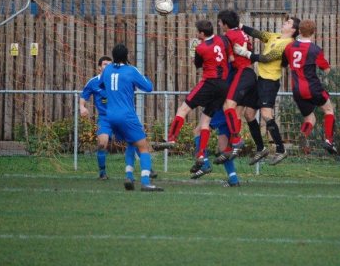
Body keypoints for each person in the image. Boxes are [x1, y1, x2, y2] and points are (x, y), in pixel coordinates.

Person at [233, 16, 301, 165]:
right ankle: (261, 148)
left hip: (269, 82)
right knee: (249, 114)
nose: (285, 22)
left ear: (294, 30)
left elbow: (267, 58)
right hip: (260, 80)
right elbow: (257, 33)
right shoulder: (274, 36)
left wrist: (246, 53)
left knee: (265, 114)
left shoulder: (289, 44)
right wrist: (238, 24)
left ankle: (280, 149)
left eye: (289, 22)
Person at [164, 20, 229, 171]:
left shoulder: (200, 47)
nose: (196, 34)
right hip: (223, 86)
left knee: (183, 109)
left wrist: (194, 56)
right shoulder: (221, 39)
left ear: (201, 33)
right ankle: (201, 155)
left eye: (198, 32)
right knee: (205, 121)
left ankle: (171, 139)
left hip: (209, 83)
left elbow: (198, 65)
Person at [80, 56, 156, 182]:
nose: (107, 66)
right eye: (104, 64)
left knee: (134, 141)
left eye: (109, 64)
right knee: (102, 143)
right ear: (99, 67)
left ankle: (147, 169)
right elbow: (84, 95)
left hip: (120, 115)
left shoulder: (118, 77)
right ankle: (103, 173)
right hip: (105, 118)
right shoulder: (94, 82)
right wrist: (82, 107)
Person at [100, 44, 163, 192]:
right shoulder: (131, 70)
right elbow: (148, 87)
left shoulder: (107, 69)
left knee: (131, 143)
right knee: (144, 147)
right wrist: (141, 76)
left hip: (110, 115)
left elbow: (102, 85)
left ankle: (129, 175)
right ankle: (146, 182)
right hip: (126, 115)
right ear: (127, 56)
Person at [281, 20, 338, 156]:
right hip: (312, 88)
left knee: (310, 119)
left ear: (299, 31)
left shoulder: (289, 47)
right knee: (329, 110)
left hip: (297, 90)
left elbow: (284, 64)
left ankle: (304, 134)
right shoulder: (315, 50)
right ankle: (329, 141)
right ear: (313, 33)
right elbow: (326, 69)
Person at [217, 9, 258, 158]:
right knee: (237, 113)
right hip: (250, 74)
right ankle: (234, 148)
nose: (219, 24)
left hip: (242, 73)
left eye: (220, 22)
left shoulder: (228, 36)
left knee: (228, 106)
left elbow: (231, 59)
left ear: (226, 24)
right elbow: (250, 52)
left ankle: (236, 139)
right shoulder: (242, 33)